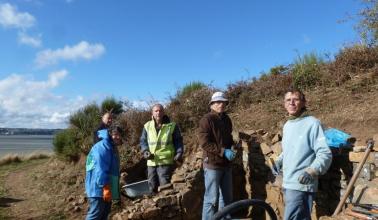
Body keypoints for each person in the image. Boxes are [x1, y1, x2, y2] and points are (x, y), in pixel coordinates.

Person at [273, 87, 332, 220]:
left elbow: (325, 153)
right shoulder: (288, 125)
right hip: (288, 182)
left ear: (303, 103)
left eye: (296, 99)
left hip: (302, 183)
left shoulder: (312, 123)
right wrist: (279, 160)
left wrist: (312, 171)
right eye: (288, 100)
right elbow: (289, 149)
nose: (291, 103)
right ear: (284, 104)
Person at [198, 91, 236, 220]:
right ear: (212, 104)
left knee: (226, 198)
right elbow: (205, 143)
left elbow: (229, 137)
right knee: (211, 199)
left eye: (224, 102)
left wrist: (232, 147)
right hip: (213, 164)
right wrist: (223, 151)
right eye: (218, 102)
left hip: (226, 164)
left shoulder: (226, 119)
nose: (221, 104)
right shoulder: (206, 120)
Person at [140, 103, 184, 192]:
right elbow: (143, 141)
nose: (158, 113)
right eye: (156, 111)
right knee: (151, 186)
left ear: (163, 112)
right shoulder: (147, 126)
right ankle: (154, 205)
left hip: (165, 161)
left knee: (165, 186)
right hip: (151, 161)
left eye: (160, 111)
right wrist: (145, 151)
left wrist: (179, 152)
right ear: (152, 113)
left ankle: (167, 206)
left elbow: (178, 140)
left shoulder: (172, 126)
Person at [85, 125, 123, 220]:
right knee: (95, 215)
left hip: (107, 187)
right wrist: (105, 188)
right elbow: (100, 169)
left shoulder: (111, 146)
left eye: (119, 134)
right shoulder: (102, 147)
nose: (118, 137)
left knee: (104, 215)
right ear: (109, 134)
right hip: (99, 188)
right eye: (115, 134)